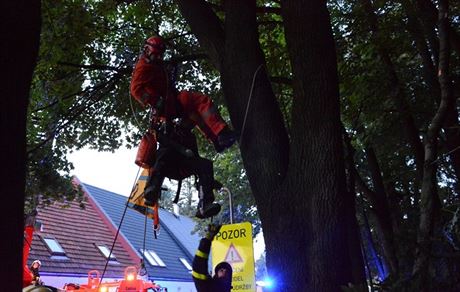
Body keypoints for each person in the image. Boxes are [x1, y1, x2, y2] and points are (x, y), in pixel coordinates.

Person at [130, 36, 237, 219]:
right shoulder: (144, 67)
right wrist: (156, 101)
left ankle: (205, 203)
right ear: (147, 51)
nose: (157, 58)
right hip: (166, 109)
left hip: (178, 144)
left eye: (159, 55)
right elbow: (136, 89)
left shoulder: (185, 134)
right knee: (191, 100)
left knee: (203, 163)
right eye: (155, 55)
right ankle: (151, 190)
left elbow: (196, 119)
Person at [192, 224, 233, 291]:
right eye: (222, 270)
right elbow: (198, 268)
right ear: (216, 273)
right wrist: (207, 241)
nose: (224, 273)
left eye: (227, 272)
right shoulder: (207, 286)